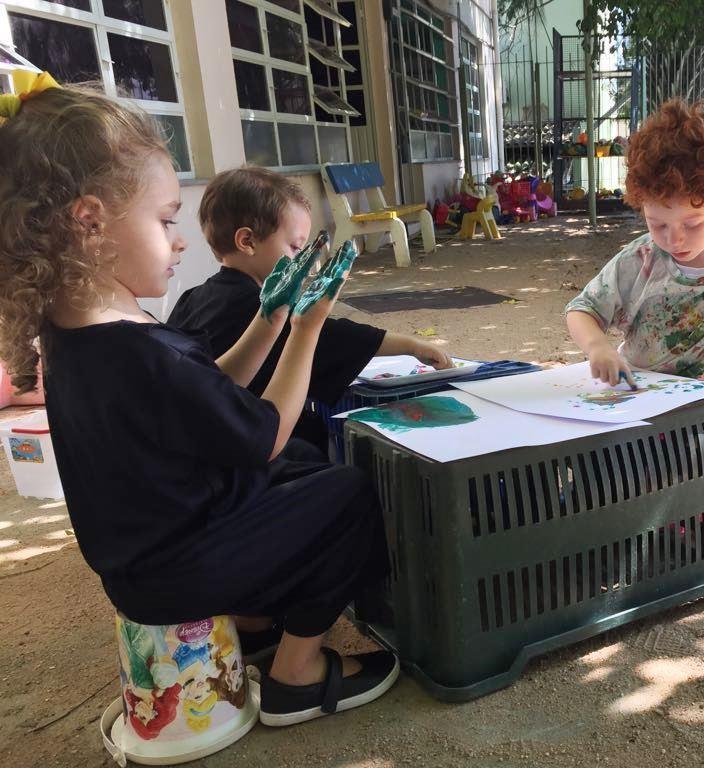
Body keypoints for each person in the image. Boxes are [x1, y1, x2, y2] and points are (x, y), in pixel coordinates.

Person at [0, 78, 397, 725]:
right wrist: (306, 328)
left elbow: (208, 389)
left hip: (145, 559)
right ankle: (298, 673)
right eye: (163, 221)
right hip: (179, 567)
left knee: (296, 462)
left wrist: (267, 321)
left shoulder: (78, 332)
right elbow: (261, 429)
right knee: (345, 495)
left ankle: (252, 619)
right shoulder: (138, 351)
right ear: (91, 222)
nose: (179, 239)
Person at [565, 99, 704, 553]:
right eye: (657, 223)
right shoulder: (640, 259)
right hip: (639, 387)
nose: (674, 239)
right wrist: (598, 347)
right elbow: (582, 310)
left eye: (693, 223)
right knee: (622, 456)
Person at [168, 166, 452, 457]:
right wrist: (411, 345)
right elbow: (331, 335)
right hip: (244, 453)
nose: (302, 261)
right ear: (247, 241)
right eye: (295, 248)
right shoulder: (257, 308)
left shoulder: (191, 298)